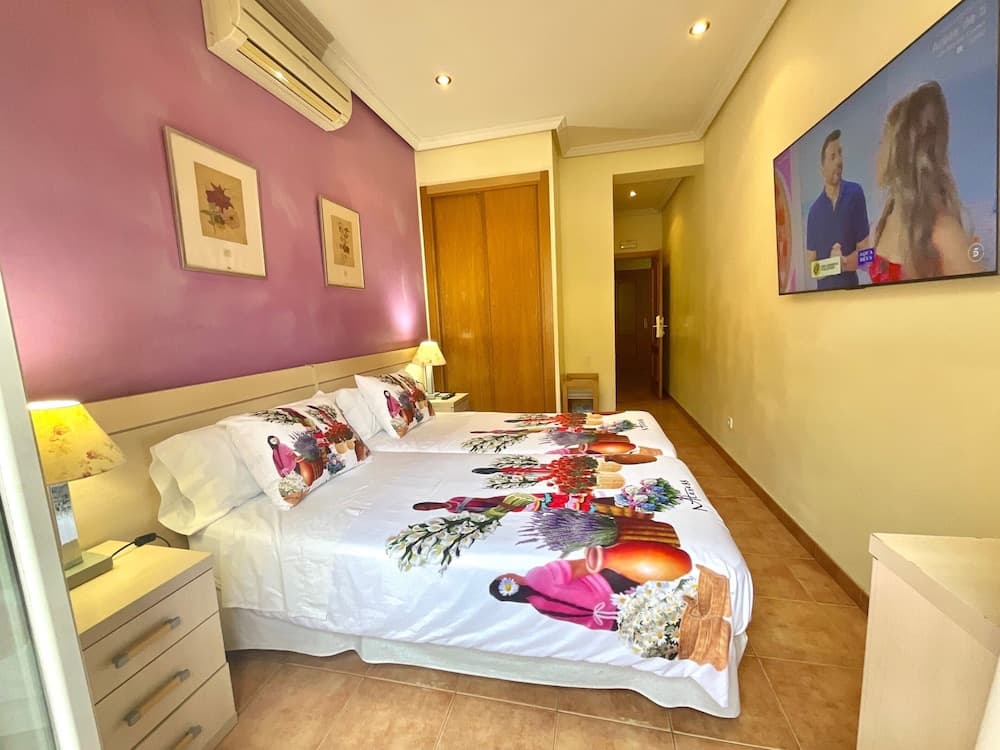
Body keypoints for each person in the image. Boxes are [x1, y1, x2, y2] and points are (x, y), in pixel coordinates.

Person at [870, 81, 980, 282]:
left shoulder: (943, 233)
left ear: (899, 150)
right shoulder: (888, 215)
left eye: (882, 141)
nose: (877, 153)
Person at [806, 129, 871, 289]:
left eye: (840, 154)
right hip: (823, 300)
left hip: (853, 295)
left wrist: (844, 263)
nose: (839, 161)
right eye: (833, 156)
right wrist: (832, 265)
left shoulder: (855, 194)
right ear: (822, 168)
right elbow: (812, 268)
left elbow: (867, 257)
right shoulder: (814, 212)